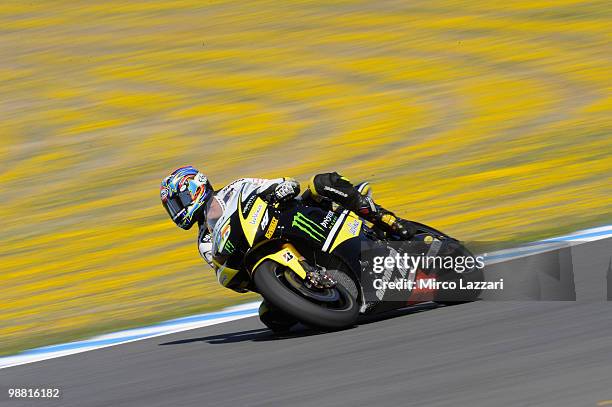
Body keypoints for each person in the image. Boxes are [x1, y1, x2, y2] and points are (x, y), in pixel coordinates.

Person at [160, 166, 415, 331]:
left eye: (178, 202)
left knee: (321, 183)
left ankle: (387, 220)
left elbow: (278, 183)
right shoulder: (205, 242)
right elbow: (227, 272)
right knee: (273, 320)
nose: (177, 211)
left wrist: (282, 188)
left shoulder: (236, 188)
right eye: (172, 207)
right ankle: (321, 295)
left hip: (294, 218)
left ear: (196, 188)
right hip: (267, 258)